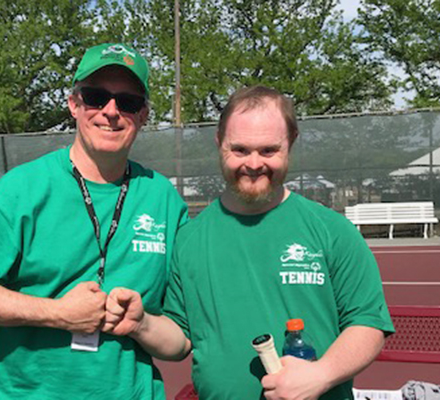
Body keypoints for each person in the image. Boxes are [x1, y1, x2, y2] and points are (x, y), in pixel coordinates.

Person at [0, 43, 188, 399]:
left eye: (127, 102)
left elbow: (179, 340)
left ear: (143, 115)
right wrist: (58, 314)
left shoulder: (164, 200)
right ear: (74, 104)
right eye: (96, 97)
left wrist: (140, 324)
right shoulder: (22, 189)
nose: (111, 112)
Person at [103, 86, 395, 400]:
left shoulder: (332, 230)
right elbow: (180, 338)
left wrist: (321, 376)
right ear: (219, 142)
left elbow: (368, 325)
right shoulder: (189, 238)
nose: (254, 164)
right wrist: (141, 324)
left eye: (268, 150)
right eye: (239, 150)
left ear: (291, 142)